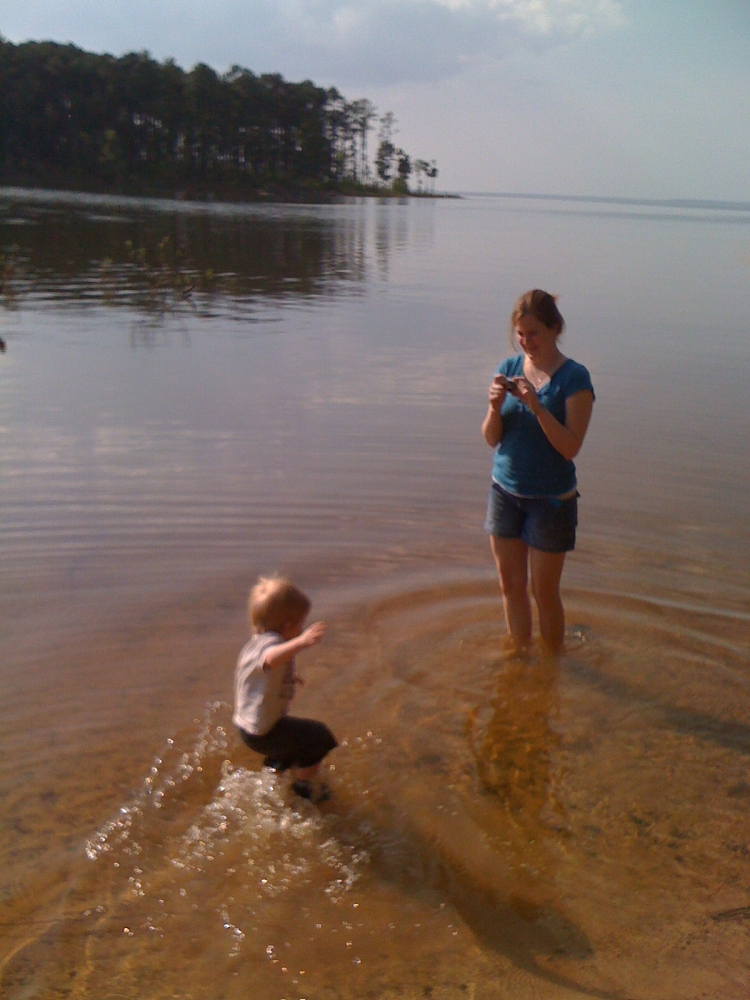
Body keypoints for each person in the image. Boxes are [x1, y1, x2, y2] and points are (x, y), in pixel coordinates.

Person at [482, 290, 594, 656]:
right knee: (510, 587)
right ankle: (519, 659)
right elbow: (491, 438)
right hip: (505, 493)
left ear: (554, 328)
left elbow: (570, 447)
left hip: (551, 500)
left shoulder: (574, 378)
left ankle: (551, 666)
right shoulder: (510, 368)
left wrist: (536, 406)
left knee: (543, 593)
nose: (526, 342)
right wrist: (495, 408)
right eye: (521, 333)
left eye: (534, 333)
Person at [233, 576, 337, 802]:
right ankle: (303, 788)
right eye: (301, 624)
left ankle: (277, 767)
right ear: (287, 626)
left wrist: (288, 677)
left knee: (292, 741)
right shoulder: (271, 646)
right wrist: (302, 643)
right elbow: (269, 659)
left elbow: (265, 671)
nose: (302, 630)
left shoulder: (257, 641)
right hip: (263, 732)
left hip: (251, 727)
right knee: (318, 736)